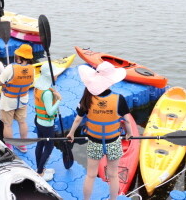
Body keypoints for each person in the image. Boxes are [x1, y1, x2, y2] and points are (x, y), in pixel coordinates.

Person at [66, 61, 133, 200]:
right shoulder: (118, 99)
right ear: (110, 81)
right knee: (113, 175)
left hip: (94, 142)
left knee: (91, 175)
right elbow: (127, 120)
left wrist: (71, 133)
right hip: (113, 142)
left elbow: (78, 119)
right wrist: (130, 133)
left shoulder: (88, 97)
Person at [0, 44, 34, 152]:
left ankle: (9, 146)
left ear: (19, 56)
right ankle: (22, 145)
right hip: (22, 99)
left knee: (7, 125)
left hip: (8, 100)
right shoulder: (32, 69)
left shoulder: (11, 67)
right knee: (22, 122)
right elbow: (31, 82)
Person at [33, 62, 63, 181]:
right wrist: (59, 100)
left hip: (38, 121)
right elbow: (50, 112)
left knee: (40, 144)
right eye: (55, 74)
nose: (57, 76)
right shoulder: (47, 93)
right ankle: (40, 172)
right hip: (47, 124)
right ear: (49, 76)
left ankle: (40, 169)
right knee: (49, 147)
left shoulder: (38, 87)